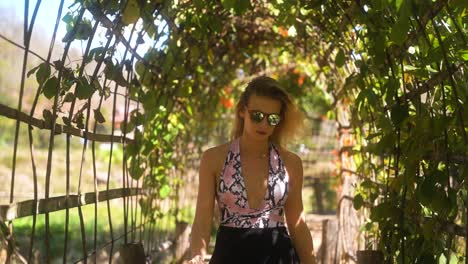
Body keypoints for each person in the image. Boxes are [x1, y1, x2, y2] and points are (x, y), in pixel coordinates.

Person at [189, 76, 316, 264]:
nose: (264, 124)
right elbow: (202, 219)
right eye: (257, 116)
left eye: (272, 119)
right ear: (242, 111)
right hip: (230, 257)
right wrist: (197, 257)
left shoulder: (291, 163)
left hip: (279, 257)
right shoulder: (213, 159)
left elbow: (297, 224)